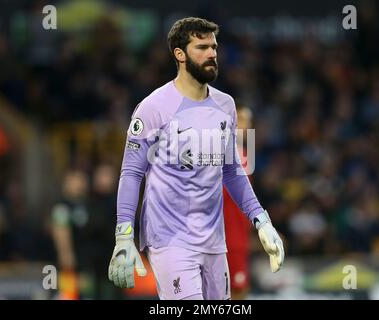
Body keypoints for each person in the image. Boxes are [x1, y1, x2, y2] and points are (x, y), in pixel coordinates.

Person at [108, 17, 284, 300]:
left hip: (215, 241)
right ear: (180, 54)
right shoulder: (153, 108)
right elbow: (131, 172)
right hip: (170, 239)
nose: (212, 53)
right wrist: (124, 235)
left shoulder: (225, 105)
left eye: (214, 47)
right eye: (202, 47)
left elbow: (232, 171)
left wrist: (261, 220)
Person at [223, 104, 254, 300]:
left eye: (248, 120)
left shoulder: (244, 155)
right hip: (225, 241)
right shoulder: (222, 156)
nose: (246, 125)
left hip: (238, 240)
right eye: (241, 119)